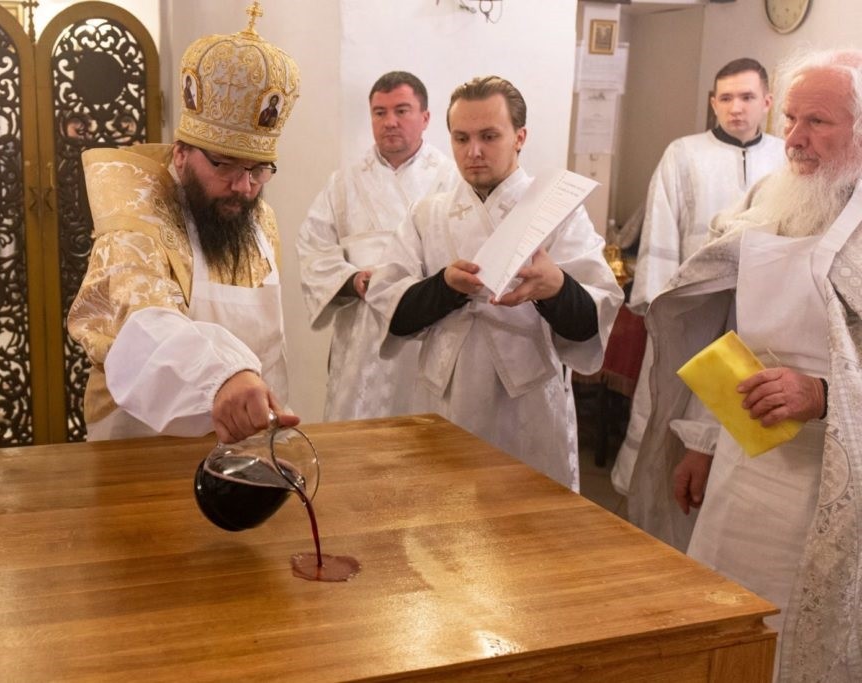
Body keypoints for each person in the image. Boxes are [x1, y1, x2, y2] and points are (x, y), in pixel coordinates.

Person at [626, 49, 862, 680]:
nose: (795, 138)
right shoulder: (769, 194)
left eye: (818, 122)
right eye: (791, 118)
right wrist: (702, 440)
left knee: (792, 640)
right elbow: (730, 329)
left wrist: (821, 394)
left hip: (828, 479)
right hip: (742, 453)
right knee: (722, 616)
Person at [367, 76, 622, 490]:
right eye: (461, 138)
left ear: (520, 137)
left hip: (528, 405)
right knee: (443, 512)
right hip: (445, 397)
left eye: (489, 136)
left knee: (527, 519)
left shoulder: (558, 213)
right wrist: (445, 287)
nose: (473, 152)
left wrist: (557, 288)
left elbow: (592, 321)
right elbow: (391, 308)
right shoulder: (427, 214)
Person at [68, 8, 301, 444]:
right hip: (144, 439)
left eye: (258, 169)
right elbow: (144, 321)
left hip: (245, 439)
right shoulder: (136, 215)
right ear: (181, 154)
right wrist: (224, 375)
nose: (244, 187)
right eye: (224, 165)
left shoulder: (258, 218)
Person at [611, 57, 785, 496]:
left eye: (746, 97)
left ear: (767, 102)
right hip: (690, 308)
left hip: (759, 313)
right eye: (726, 98)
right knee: (670, 403)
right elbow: (661, 228)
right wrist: (661, 309)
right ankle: (649, 497)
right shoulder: (684, 154)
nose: (736, 108)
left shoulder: (785, 156)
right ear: (713, 103)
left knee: (743, 409)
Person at [297, 71, 457, 421]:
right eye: (380, 112)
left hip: (425, 329)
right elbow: (313, 246)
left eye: (402, 110)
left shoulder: (451, 180)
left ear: (425, 117)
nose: (390, 122)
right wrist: (352, 280)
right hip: (361, 331)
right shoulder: (344, 183)